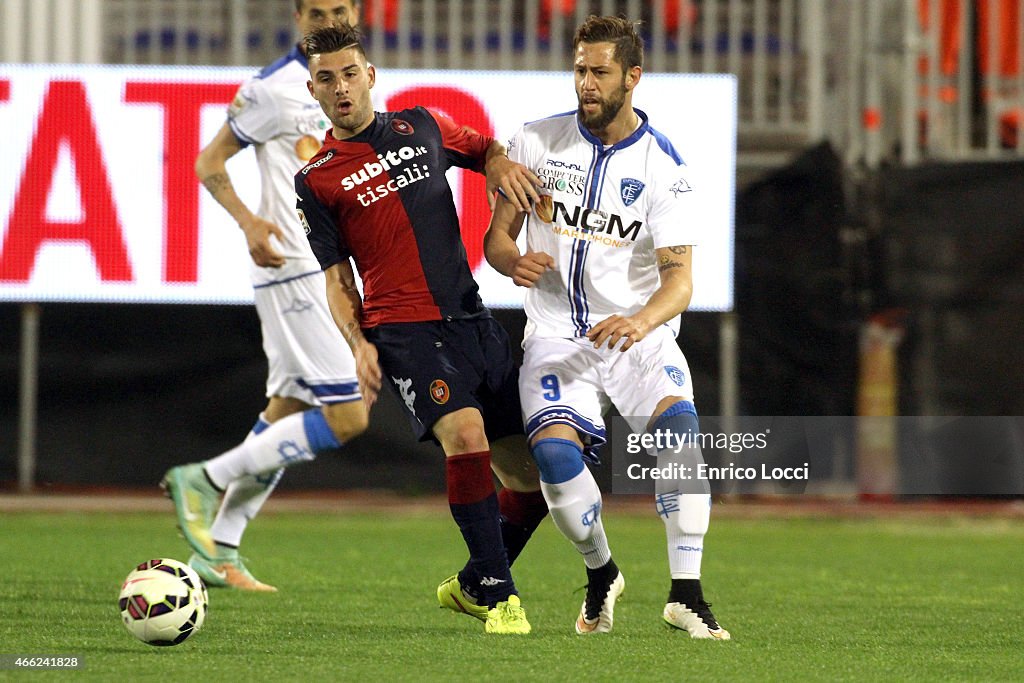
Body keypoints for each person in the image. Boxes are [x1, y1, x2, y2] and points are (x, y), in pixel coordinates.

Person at [483, 15, 731, 639]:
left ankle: (687, 595)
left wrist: (642, 320)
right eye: (579, 70)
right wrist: (511, 261)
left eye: (600, 72)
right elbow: (496, 240)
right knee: (553, 457)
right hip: (554, 336)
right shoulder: (534, 142)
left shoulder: (664, 169)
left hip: (635, 336)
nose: (586, 83)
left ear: (632, 77)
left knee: (681, 442)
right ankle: (601, 572)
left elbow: (680, 282)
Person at [295, 23, 546, 634]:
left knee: (533, 480)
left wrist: (499, 165)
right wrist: (358, 344)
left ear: (370, 76)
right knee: (465, 432)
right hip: (402, 330)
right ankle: (500, 599)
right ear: (313, 90)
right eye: (326, 79)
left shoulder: (424, 126)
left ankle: (473, 583)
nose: (340, 88)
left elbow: (486, 150)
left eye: (349, 74)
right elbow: (337, 280)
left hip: (470, 317)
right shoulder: (316, 179)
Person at [173, 0, 363, 593]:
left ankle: (219, 551)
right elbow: (209, 161)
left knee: (286, 410)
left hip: (322, 267)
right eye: (316, 12)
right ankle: (203, 477)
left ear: (357, 11)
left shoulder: (350, 78)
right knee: (349, 413)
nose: (327, 20)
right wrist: (249, 222)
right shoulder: (273, 89)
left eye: (339, 9)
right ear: (297, 18)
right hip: (293, 267)